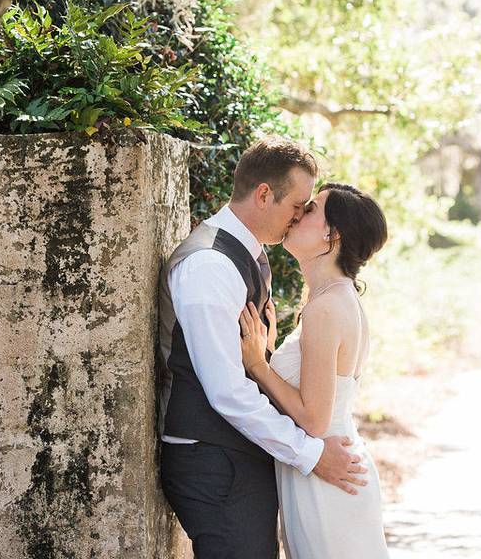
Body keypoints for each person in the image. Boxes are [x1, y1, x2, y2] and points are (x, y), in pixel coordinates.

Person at [157, 136, 368, 559]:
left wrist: (264, 359)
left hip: (238, 453)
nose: (298, 218)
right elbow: (225, 391)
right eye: (297, 206)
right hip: (212, 460)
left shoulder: (248, 257)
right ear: (264, 194)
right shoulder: (210, 267)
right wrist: (311, 455)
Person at [239, 181, 391, 559]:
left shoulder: (326, 308)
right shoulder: (333, 298)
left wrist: (258, 364)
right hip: (325, 468)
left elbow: (314, 418)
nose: (298, 213)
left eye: (311, 209)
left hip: (327, 473)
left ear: (332, 233)